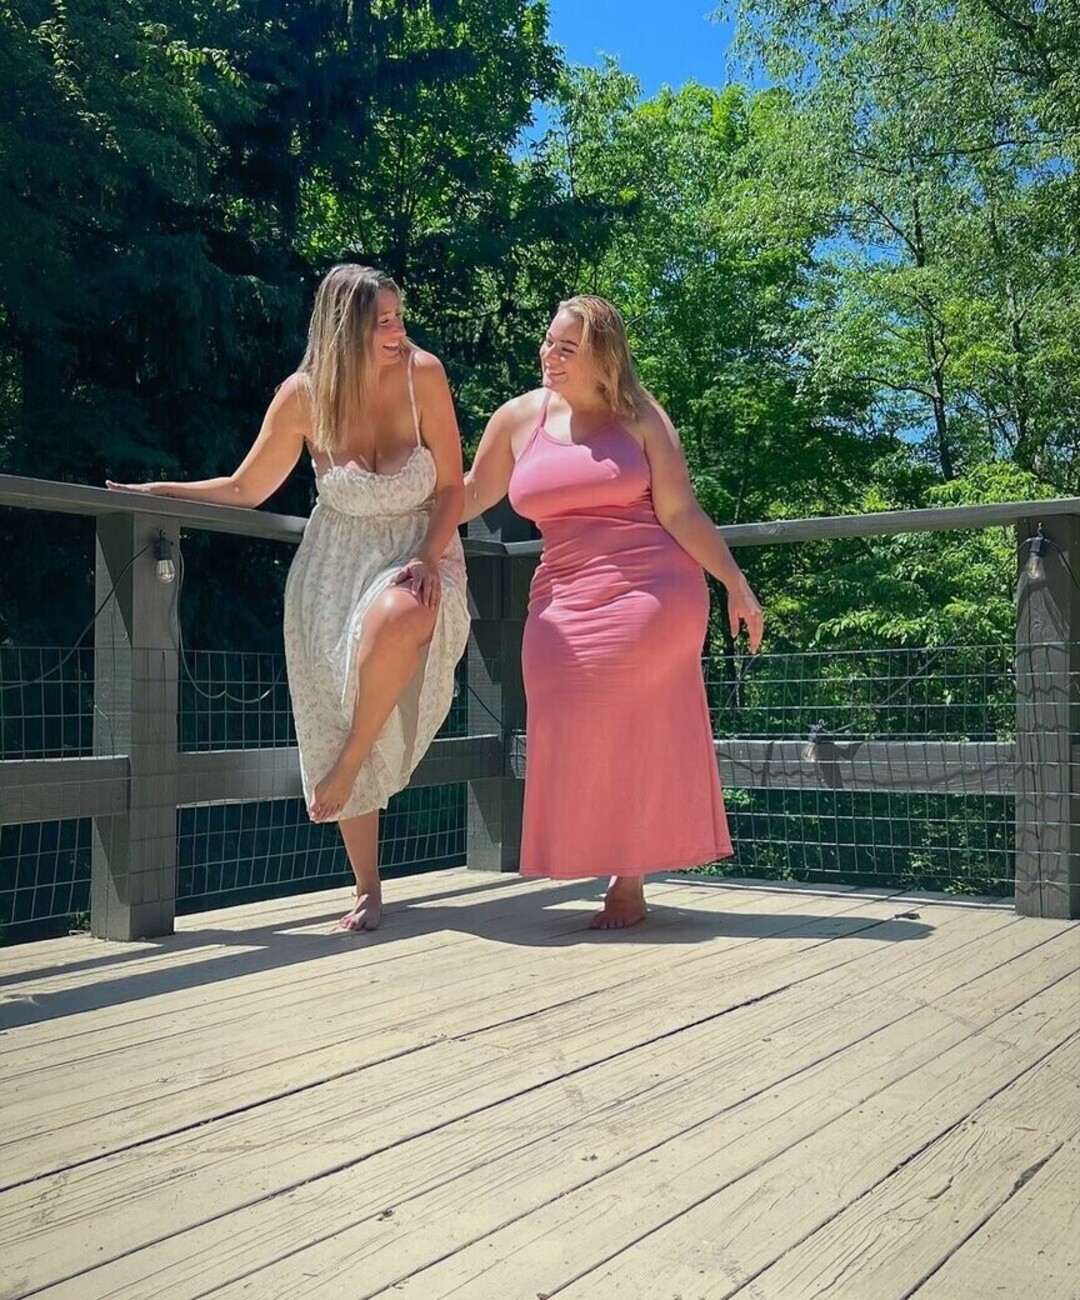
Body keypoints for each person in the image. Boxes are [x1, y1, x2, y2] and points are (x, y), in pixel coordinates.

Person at [107, 264, 470, 932]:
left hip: (419, 552)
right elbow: (246, 488)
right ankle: (367, 887)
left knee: (397, 616)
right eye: (383, 323)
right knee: (337, 703)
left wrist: (425, 555)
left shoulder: (424, 375)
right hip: (332, 569)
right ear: (344, 328)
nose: (398, 332)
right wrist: (160, 493)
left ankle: (348, 766)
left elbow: (452, 485)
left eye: (398, 317)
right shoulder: (304, 396)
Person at [462, 295, 763, 930]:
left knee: (630, 720)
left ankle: (628, 880)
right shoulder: (518, 419)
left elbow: (680, 512)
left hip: (651, 589)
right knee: (563, 712)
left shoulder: (642, 416)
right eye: (549, 341)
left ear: (603, 357)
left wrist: (735, 583)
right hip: (560, 593)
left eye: (567, 348)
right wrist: (399, 521)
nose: (549, 355)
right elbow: (468, 495)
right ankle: (599, 854)